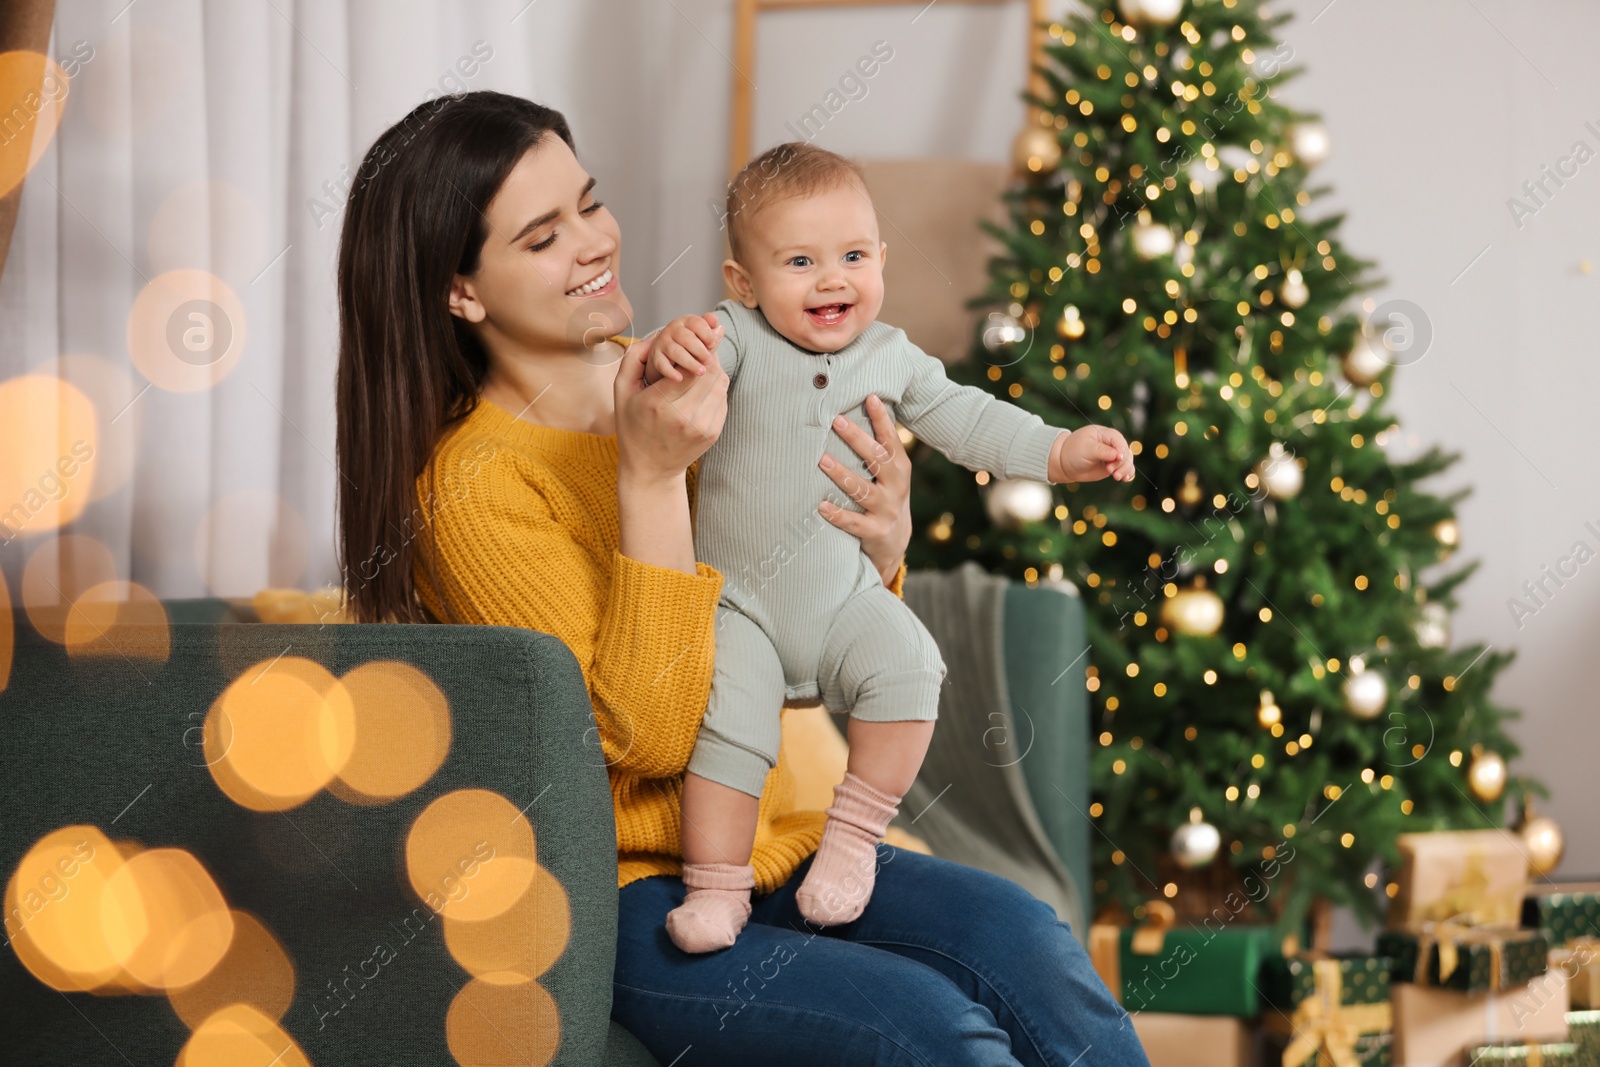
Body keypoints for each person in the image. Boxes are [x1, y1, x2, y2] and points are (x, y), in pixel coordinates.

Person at [334, 90, 1150, 1067]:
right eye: (544, 235)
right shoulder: (473, 486)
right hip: (634, 892)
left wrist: (881, 551)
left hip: (786, 840)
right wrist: (650, 478)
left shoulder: (690, 371)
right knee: (929, 1030)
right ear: (459, 291)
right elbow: (654, 728)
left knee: (1029, 945)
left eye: (589, 203)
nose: (594, 242)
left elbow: (805, 627)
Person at [644, 142, 1135, 953]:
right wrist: (671, 351)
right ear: (743, 282)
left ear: (882, 259)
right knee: (727, 728)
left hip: (844, 597)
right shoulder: (733, 336)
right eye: (800, 260)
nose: (833, 278)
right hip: (742, 607)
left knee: (910, 662)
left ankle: (854, 836)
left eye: (852, 256)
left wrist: (1057, 450)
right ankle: (718, 888)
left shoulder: (889, 356)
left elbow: (970, 418)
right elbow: (680, 363)